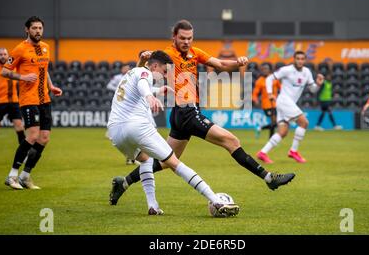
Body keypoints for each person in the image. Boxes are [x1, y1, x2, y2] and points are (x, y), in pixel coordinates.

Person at [109, 20, 295, 206]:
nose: (186, 42)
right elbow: (145, 68)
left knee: (166, 161)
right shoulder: (167, 54)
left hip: (182, 114)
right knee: (231, 141)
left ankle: (123, 183)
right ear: (174, 37)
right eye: (182, 38)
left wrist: (237, 63)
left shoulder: (195, 53)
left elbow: (220, 63)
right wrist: (143, 59)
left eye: (189, 38)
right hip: (185, 111)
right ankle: (269, 178)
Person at [108, 50, 239, 216]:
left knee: (145, 160)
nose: (164, 75)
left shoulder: (131, 73)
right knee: (174, 163)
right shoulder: (144, 72)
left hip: (116, 133)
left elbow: (137, 85)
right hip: (136, 126)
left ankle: (153, 205)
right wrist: (150, 96)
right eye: (163, 71)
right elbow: (142, 82)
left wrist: (157, 90)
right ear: (154, 65)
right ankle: (216, 200)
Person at [1, 16, 63, 190]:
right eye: (34, 28)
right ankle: (11, 175)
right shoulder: (20, 49)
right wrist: (23, 77)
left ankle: (25, 176)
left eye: (40, 28)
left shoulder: (46, 48)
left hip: (45, 98)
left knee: (44, 138)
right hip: (29, 99)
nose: (38, 31)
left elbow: (44, 69)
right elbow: (5, 72)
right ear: (27, 30)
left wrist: (51, 86)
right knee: (33, 135)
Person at [256, 51, 324, 164]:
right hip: (284, 101)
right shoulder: (286, 70)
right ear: (294, 59)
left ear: (305, 60)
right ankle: (293, 151)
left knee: (283, 132)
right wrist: (269, 94)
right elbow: (269, 79)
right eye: (298, 58)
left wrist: (318, 84)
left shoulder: (307, 72)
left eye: (302, 59)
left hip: (288, 104)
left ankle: (262, 153)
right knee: (304, 123)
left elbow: (313, 90)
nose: (300, 61)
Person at [106, 62, 137, 165]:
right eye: (125, 68)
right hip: (118, 101)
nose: (126, 69)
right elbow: (109, 85)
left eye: (128, 68)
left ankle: (131, 157)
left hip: (128, 104)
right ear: (122, 69)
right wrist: (117, 89)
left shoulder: (131, 77)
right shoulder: (117, 77)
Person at [252, 63, 281, 147]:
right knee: (274, 123)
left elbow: (281, 87)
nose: (264, 70)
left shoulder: (274, 79)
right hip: (266, 105)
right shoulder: (259, 81)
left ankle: (261, 128)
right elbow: (255, 93)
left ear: (269, 70)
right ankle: (272, 141)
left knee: (274, 123)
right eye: (263, 69)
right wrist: (255, 99)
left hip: (275, 104)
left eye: (266, 69)